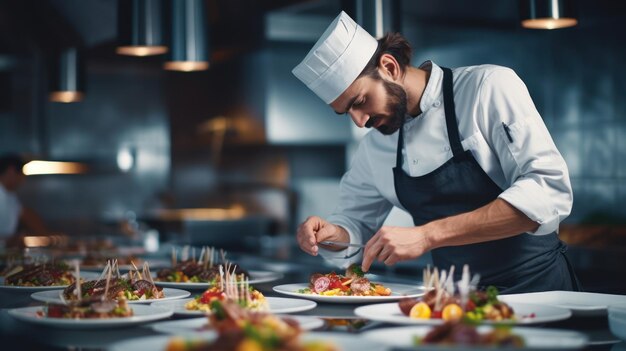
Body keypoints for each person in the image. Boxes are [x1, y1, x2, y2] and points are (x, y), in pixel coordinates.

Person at [292, 11, 579, 293]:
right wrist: (332, 236)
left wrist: (427, 235)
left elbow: (548, 191)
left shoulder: (486, 88)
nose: (360, 121)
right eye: (347, 113)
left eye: (361, 101)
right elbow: (354, 224)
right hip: (454, 304)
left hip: (540, 292)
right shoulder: (376, 147)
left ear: (390, 67)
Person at [0, 153, 49, 243]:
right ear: (11, 171)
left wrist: (46, 236)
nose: (23, 179)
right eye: (22, 174)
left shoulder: (9, 195)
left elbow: (26, 215)